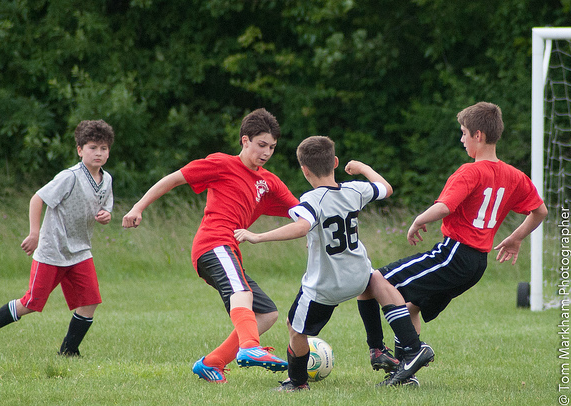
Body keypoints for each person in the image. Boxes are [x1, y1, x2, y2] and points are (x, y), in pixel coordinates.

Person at [357, 101, 548, 385]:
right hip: (476, 265)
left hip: (454, 254)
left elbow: (446, 206)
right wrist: (516, 237)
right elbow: (540, 211)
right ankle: (404, 374)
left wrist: (419, 219)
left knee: (374, 281)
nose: (462, 139)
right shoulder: (514, 176)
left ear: (478, 135)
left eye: (463, 133)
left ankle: (388, 351)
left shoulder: (470, 171)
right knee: (409, 307)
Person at [234, 135, 435, 391]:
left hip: (326, 286)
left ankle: (297, 382)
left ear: (304, 170)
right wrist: (362, 168)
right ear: (336, 162)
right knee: (375, 280)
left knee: (295, 328)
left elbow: (302, 225)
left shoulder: (311, 199)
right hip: (358, 276)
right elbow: (385, 188)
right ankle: (383, 348)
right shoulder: (355, 189)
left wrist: (257, 236)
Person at [122, 108, 299, 383]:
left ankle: (212, 363)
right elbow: (174, 178)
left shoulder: (270, 182)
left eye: (272, 147)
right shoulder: (221, 164)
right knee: (242, 291)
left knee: (267, 313)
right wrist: (138, 208)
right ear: (245, 140)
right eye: (261, 145)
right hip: (213, 243)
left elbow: (302, 213)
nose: (266, 152)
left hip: (229, 250)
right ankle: (250, 348)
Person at [0, 119, 115, 356]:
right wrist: (35, 233)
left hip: (80, 251)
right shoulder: (70, 176)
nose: (99, 153)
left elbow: (104, 207)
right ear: (80, 150)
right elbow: (37, 198)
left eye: (104, 148)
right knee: (31, 303)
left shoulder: (107, 179)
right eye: (93, 147)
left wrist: (106, 215)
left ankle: (69, 351)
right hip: (52, 250)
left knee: (90, 300)